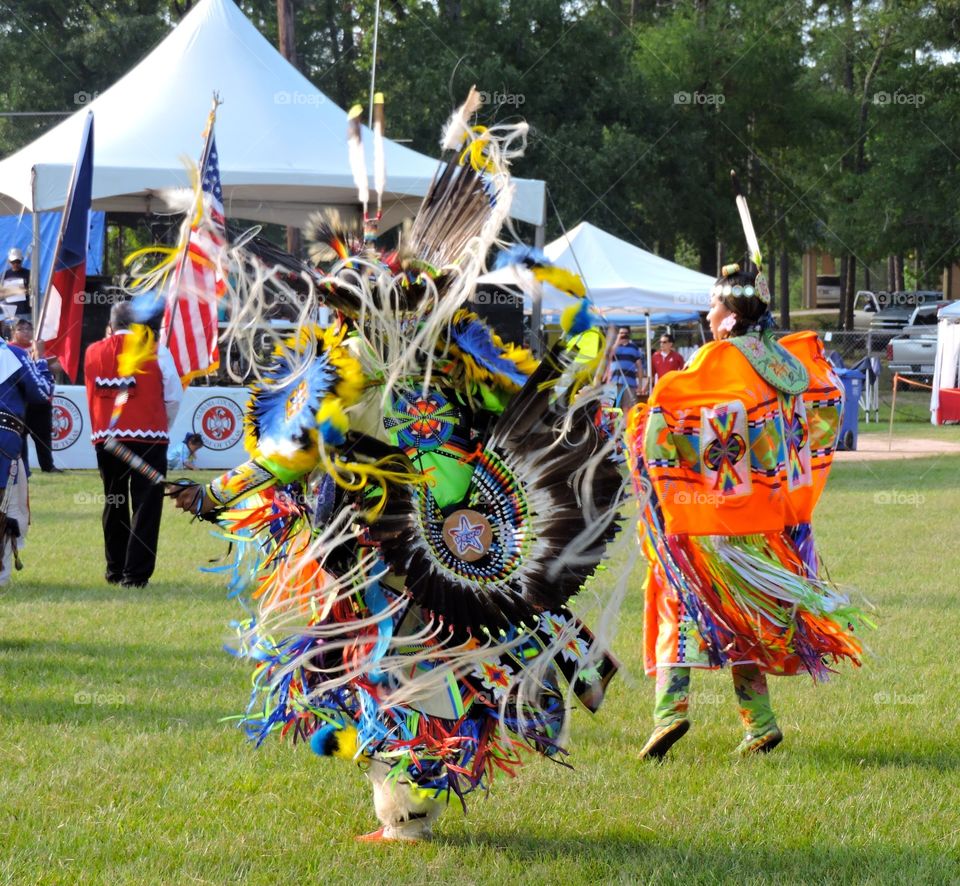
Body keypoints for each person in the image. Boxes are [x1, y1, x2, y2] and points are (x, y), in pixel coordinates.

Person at [168, 96, 624, 842]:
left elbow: (296, 449)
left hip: (385, 545)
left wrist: (217, 493)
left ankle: (407, 809)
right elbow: (528, 394)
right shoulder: (460, 348)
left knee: (386, 665)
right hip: (450, 532)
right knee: (411, 656)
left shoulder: (358, 361)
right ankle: (522, 691)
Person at [626, 261, 866, 760]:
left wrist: (638, 423)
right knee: (742, 616)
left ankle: (670, 713)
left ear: (731, 317)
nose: (708, 314)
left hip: (707, 519)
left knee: (679, 597)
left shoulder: (716, 362)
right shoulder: (783, 365)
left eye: (714, 305)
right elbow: (824, 406)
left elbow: (670, 417)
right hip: (762, 525)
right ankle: (760, 722)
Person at [84, 301, 182, 587]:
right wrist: (163, 424)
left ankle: (114, 569)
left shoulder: (92, 352)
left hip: (108, 441)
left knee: (114, 501)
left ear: (111, 325)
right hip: (149, 441)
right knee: (146, 505)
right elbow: (173, 397)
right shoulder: (156, 350)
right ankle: (135, 575)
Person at [0, 334, 54, 584]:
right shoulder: (14, 355)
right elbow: (41, 393)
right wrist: (41, 362)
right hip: (4, 440)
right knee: (6, 505)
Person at [7, 319, 61, 473]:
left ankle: (48, 465)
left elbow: (58, 366)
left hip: (41, 400)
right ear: (13, 332)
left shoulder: (39, 348)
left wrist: (40, 358)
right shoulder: (10, 349)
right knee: (20, 435)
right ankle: (23, 468)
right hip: (21, 399)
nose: (25, 332)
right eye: (21, 329)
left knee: (43, 435)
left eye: (28, 329)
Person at [603, 326, 644, 409]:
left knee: (628, 408)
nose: (623, 335)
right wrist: (617, 342)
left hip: (629, 383)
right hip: (613, 382)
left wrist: (640, 384)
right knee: (612, 408)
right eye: (621, 333)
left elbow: (639, 367)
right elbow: (609, 357)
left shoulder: (634, 347)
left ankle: (627, 422)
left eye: (625, 333)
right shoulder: (614, 347)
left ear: (629, 334)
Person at [1, 248, 31, 319]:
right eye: (13, 262)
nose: (16, 264)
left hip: (25, 310)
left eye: (18, 262)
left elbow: (34, 290)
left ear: (22, 260)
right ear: (9, 261)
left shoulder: (29, 274)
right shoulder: (4, 275)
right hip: (9, 311)